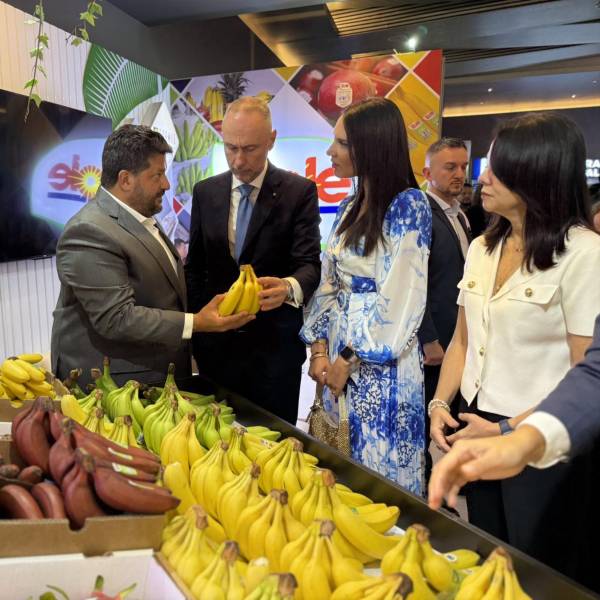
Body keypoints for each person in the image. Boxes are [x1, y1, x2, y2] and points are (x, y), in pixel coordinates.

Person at [428, 112, 600, 584]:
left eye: (497, 169)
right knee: (489, 554)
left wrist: (508, 429)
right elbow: (463, 339)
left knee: (538, 568)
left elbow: (585, 371)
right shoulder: (483, 247)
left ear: (536, 175)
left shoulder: (585, 254)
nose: (481, 177)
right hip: (477, 425)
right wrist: (440, 403)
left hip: (542, 439)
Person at [51, 125, 253, 387]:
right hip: (116, 386)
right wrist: (196, 322)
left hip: (156, 375)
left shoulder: (141, 216)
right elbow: (117, 318)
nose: (166, 184)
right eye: (157, 175)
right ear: (126, 180)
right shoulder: (89, 231)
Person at [300, 97, 432, 494]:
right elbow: (328, 284)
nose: (330, 151)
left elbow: (401, 300)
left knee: (379, 482)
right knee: (338, 467)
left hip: (382, 369)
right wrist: (319, 350)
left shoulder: (408, 206)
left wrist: (347, 358)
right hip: (338, 359)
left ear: (372, 147)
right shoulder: (347, 207)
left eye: (342, 143)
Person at [185, 97, 321, 424]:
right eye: (230, 148)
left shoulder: (299, 192)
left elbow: (310, 264)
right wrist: (195, 331)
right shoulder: (205, 192)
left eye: (249, 149)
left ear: (271, 140)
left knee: (276, 442)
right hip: (216, 352)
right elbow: (196, 268)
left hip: (274, 353)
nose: (239, 160)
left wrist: (288, 287)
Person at [428, 314, 600, 511]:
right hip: (478, 417)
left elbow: (588, 375)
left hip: (537, 417)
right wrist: (439, 402)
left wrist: (514, 436)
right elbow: (461, 340)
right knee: (484, 522)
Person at [417, 138, 471, 482]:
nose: (459, 174)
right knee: (425, 419)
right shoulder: (421, 213)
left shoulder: (459, 214)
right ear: (428, 173)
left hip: (458, 338)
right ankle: (423, 488)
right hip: (434, 341)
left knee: (448, 415)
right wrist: (428, 337)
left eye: (463, 166)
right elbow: (414, 281)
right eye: (450, 167)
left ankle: (446, 482)